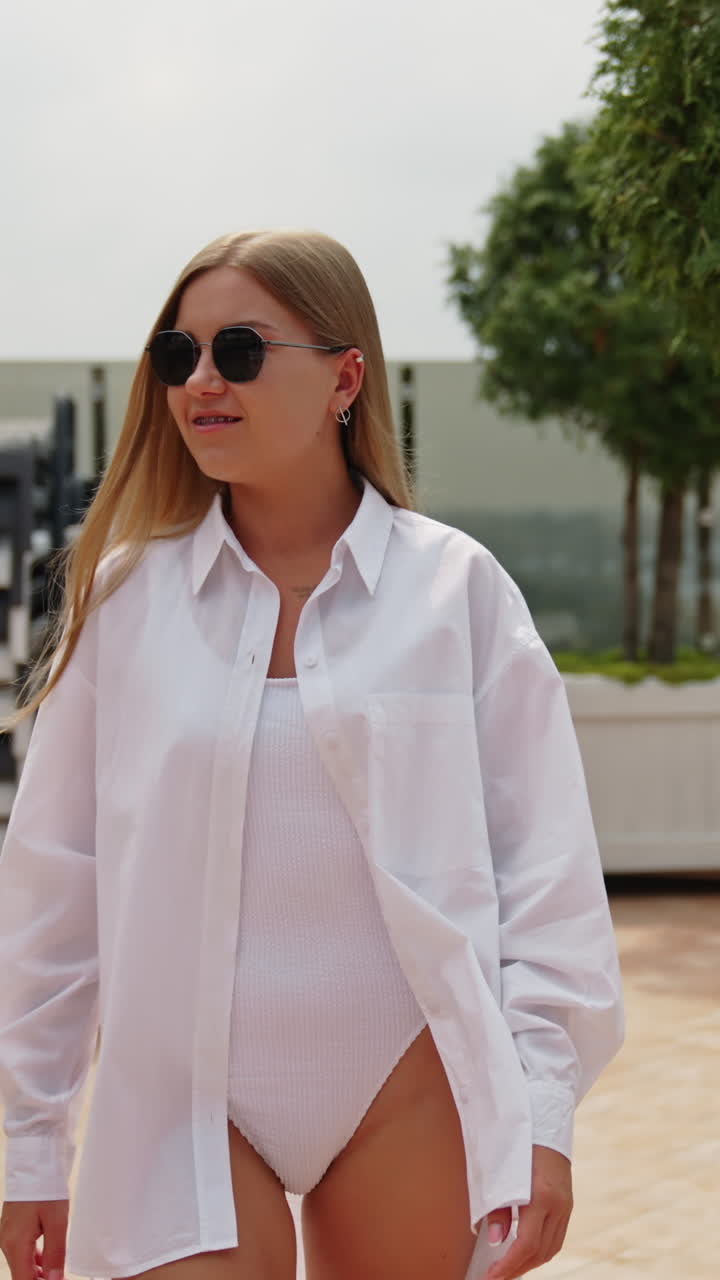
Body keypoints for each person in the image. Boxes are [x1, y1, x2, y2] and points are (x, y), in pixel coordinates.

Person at [0, 228, 624, 1280]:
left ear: (345, 375)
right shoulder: (122, 603)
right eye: (176, 355)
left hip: (406, 1091)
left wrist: (545, 1115)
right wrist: (28, 1142)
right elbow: (57, 890)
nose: (201, 380)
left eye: (238, 350)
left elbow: (544, 876)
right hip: (177, 1100)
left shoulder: (457, 593)